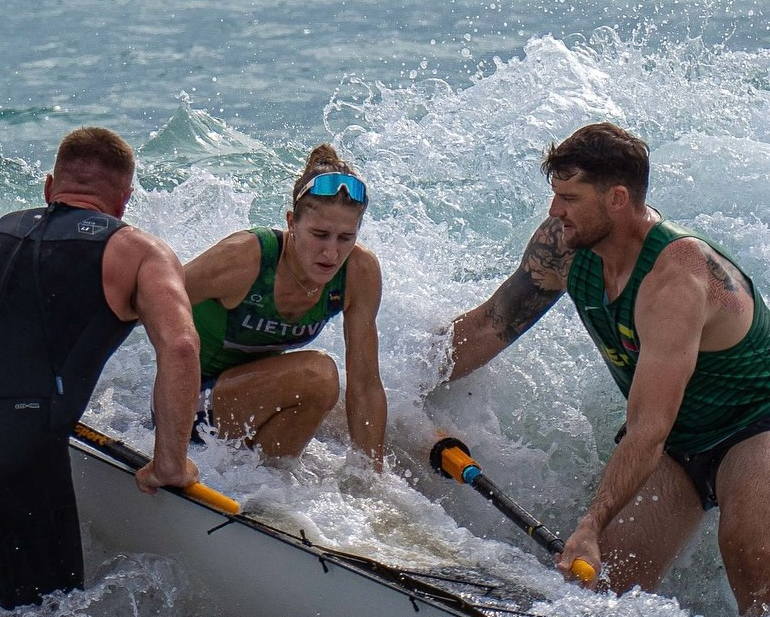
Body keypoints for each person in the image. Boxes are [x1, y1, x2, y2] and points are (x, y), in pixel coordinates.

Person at [444, 122, 770, 615]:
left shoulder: (677, 276)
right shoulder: (564, 248)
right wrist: (398, 380)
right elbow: (491, 326)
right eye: (555, 195)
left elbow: (647, 430)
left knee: (755, 564)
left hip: (754, 428)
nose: (555, 211)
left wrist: (590, 524)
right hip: (679, 444)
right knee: (604, 592)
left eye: (570, 198)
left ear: (617, 198)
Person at [0, 126, 202, 609]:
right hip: (13, 470)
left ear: (48, 186)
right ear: (124, 202)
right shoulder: (138, 251)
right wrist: (169, 463)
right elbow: (182, 347)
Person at [183, 144, 386, 468]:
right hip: (185, 408)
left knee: (329, 396)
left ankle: (267, 491)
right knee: (318, 375)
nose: (331, 254)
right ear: (292, 222)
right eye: (320, 235)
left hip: (248, 408)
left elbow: (365, 385)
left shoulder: (359, 272)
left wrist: (370, 477)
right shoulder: (245, 258)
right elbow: (147, 301)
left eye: (345, 238)